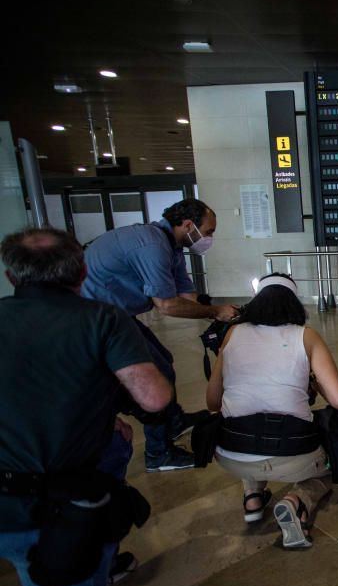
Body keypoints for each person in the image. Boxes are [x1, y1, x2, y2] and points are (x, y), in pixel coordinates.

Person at [0, 228, 171, 586]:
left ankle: (99, 561)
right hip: (58, 504)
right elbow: (155, 397)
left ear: (10, 276)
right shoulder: (103, 318)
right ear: (81, 272)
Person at [82, 198, 239, 472]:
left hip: (115, 312)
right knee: (157, 372)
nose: (210, 237)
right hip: (94, 315)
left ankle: (174, 421)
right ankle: (159, 453)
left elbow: (186, 296)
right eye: (209, 231)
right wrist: (215, 311)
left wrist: (215, 308)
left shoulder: (172, 246)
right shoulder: (153, 246)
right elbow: (167, 305)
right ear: (189, 225)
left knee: (163, 358)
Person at [206, 273, 338, 550]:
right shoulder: (306, 336)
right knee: (325, 471)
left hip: (231, 454)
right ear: (293, 304)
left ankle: (253, 496)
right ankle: (296, 503)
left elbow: (213, 402)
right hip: (292, 454)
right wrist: (313, 382)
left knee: (248, 418)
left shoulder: (232, 334)